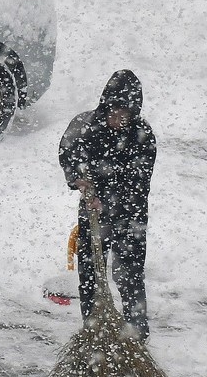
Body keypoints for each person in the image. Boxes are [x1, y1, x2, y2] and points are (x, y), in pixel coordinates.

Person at [58, 69, 157, 341]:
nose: (116, 119)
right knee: (90, 274)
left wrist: (110, 202)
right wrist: (79, 180)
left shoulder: (142, 137)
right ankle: (94, 330)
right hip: (92, 212)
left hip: (130, 215)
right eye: (113, 112)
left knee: (130, 274)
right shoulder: (85, 126)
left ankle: (136, 334)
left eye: (123, 115)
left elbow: (138, 182)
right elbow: (68, 152)